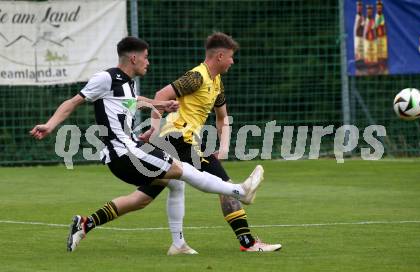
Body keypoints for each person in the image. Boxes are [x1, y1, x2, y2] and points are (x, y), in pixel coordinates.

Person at [30, 36, 264, 252]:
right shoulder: (107, 78)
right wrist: (50, 125)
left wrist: (161, 107)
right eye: (145, 57)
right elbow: (73, 102)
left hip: (129, 149)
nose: (148, 62)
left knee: (165, 188)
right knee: (181, 170)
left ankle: (89, 224)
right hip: (125, 152)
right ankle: (239, 191)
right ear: (133, 58)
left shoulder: (128, 85)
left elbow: (136, 102)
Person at [141, 32, 281, 253]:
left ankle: (87, 222)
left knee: (142, 197)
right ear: (219, 56)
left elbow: (223, 117)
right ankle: (248, 240)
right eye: (231, 57)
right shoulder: (196, 77)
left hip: (183, 140)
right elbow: (161, 94)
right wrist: (153, 129)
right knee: (224, 184)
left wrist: (223, 148)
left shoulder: (216, 82)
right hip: (178, 139)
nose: (233, 61)